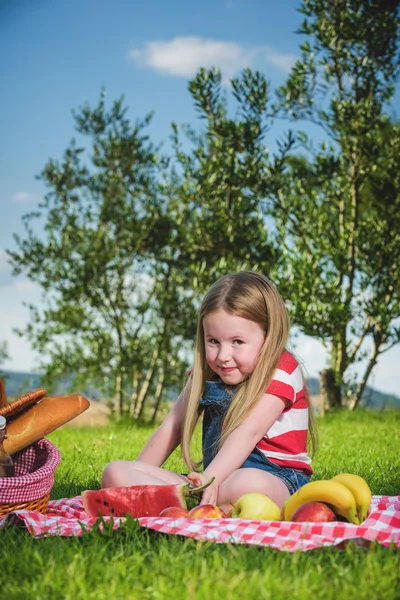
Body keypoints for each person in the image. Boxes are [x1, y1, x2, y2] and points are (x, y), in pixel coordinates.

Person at [101, 271, 317, 509]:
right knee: (115, 472)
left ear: (269, 336)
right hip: (210, 481)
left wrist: (210, 479)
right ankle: (190, 502)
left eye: (237, 342)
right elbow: (172, 427)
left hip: (277, 479)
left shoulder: (281, 369)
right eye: (213, 341)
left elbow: (250, 431)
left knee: (244, 482)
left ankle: (188, 501)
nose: (223, 356)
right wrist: (134, 481)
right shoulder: (205, 374)